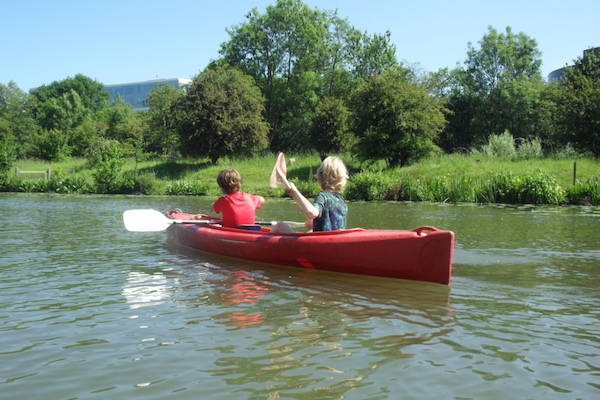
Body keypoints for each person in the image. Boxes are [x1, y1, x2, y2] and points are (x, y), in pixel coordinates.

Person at [276, 156, 348, 233]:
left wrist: (294, 191)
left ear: (320, 177)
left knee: (280, 226)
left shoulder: (322, 197)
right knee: (310, 230)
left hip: (321, 243)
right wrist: (313, 222)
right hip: (335, 241)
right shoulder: (341, 200)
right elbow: (329, 222)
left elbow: (312, 213)